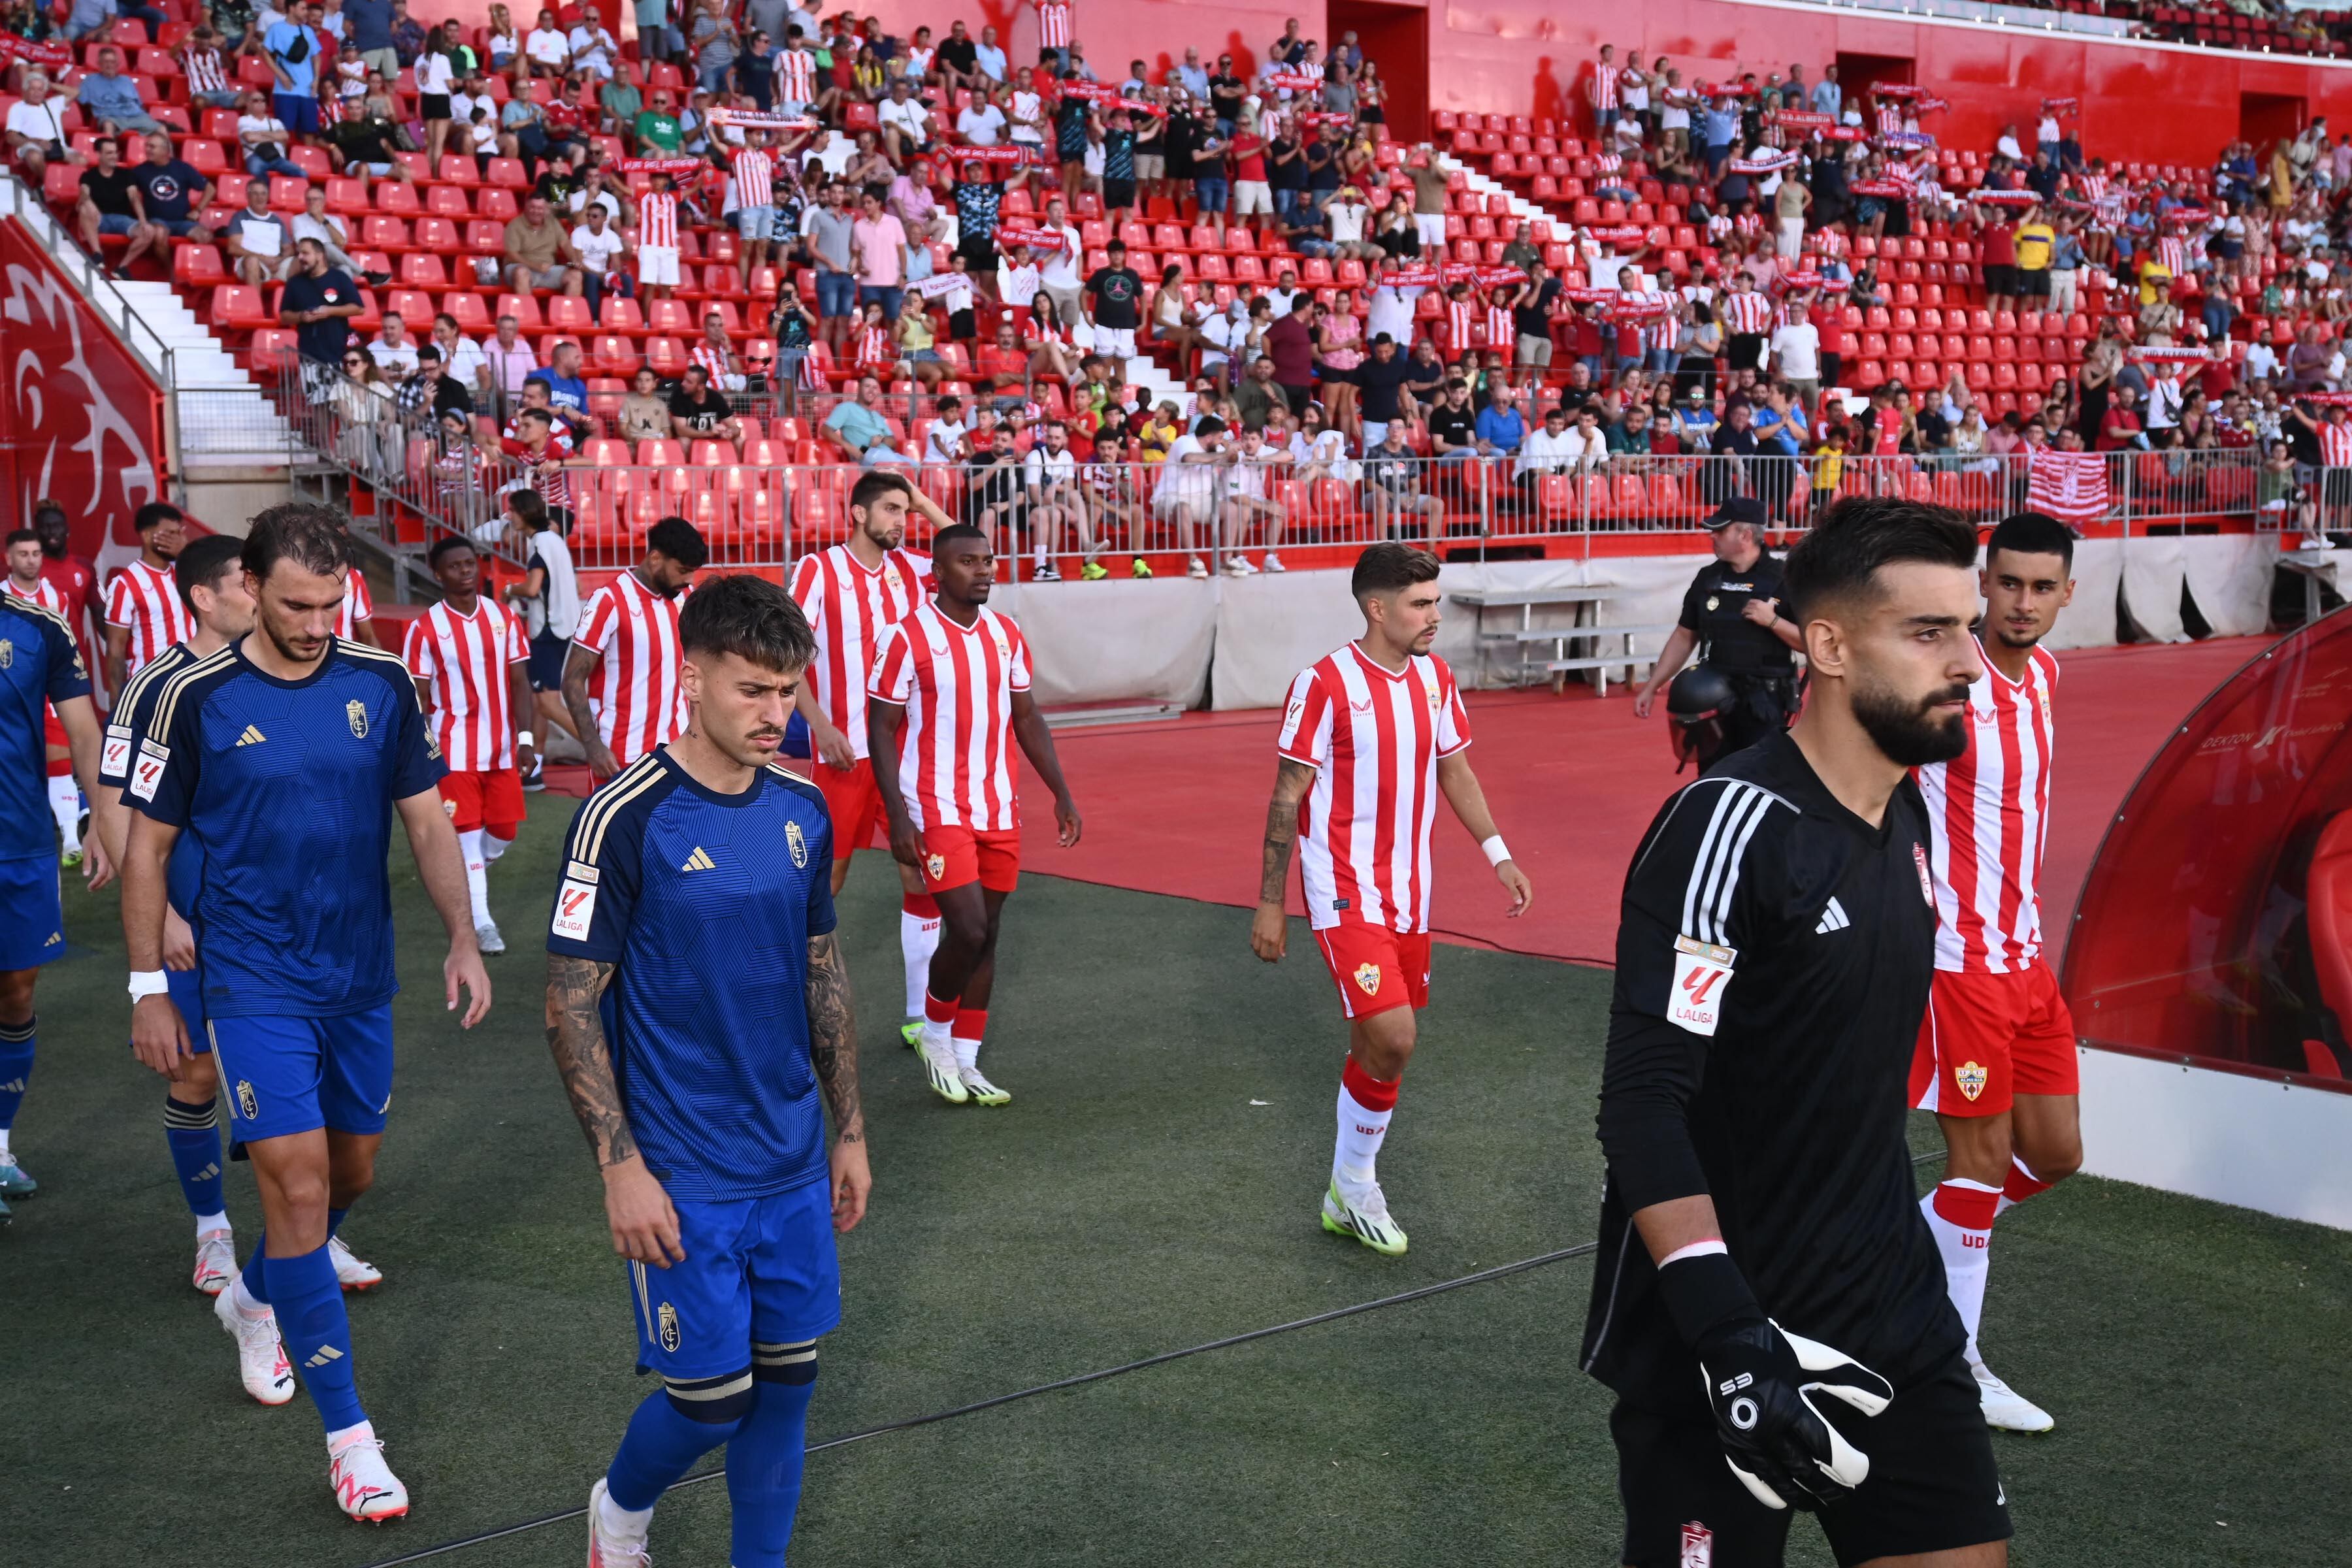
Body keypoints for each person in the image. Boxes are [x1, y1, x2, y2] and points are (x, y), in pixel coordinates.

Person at [1580, 497, 2010, 1568]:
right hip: (1721, 1339)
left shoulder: (1906, 815)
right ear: (1825, 646)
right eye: (1930, 633)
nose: (1970, 661)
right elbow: (1642, 1103)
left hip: (1893, 1316)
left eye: (1968, 626)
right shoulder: (1725, 826)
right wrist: (1728, 1338)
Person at [121, 504, 489, 1521]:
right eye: (296, 603)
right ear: (249, 583)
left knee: (350, 1176)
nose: (318, 620)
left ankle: (253, 1297)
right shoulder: (193, 696)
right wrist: (151, 986)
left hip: (359, 977)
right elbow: (148, 847)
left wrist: (461, 934)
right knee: (297, 1188)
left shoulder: (381, 681)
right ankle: (352, 1440)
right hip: (251, 981)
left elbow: (426, 819)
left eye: (333, 602)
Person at [551, 568, 868, 1568]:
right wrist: (620, 1166)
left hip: (790, 1156)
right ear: (692, 678)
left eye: (788, 692)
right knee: (712, 1400)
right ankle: (619, 1513)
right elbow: (569, 1003)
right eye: (752, 690)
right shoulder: (624, 816)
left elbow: (823, 973)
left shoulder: (804, 811)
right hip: (684, 1166)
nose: (776, 714)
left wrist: (849, 1131)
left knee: (790, 1383)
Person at [91, 535, 384, 1288]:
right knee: (192, 1074)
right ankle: (212, 1229)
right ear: (213, 595)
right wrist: (162, 926)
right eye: (242, 588)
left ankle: (304, 1240)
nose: (258, 602)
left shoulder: (315, 675)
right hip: (196, 923)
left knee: (321, 1113)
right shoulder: (160, 686)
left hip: (310, 940)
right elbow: (126, 814)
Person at [1250, 543, 1533, 1255]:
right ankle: (1356, 1181)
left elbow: (1455, 768)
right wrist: (1269, 902)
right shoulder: (1323, 684)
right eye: (1421, 604)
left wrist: (1498, 854)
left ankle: (1344, 1194)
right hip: (1344, 889)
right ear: (1378, 609)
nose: (1435, 615)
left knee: (1377, 1042)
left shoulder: (1435, 678)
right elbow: (1288, 796)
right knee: (1397, 1036)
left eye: (1436, 601)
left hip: (1411, 892)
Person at [1910, 511, 2083, 1436]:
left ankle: (1926, 1235)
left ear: (2066, 594)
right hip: (1959, 964)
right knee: (1975, 1162)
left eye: (2040, 587)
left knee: (2055, 1156)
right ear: (1984, 584)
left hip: (2029, 960)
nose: (2021, 603)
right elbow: (1866, 779)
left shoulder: (2048, 675)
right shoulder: (1945, 681)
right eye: (2007, 583)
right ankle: (1953, 1365)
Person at [866, 523, 1081, 1107]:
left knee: (989, 937)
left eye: (987, 560)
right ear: (938, 572)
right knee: (968, 928)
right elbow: (881, 729)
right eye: (968, 562)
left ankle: (967, 1060)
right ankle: (936, 1038)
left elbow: (1028, 717)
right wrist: (899, 816)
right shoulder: (904, 637)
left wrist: (1060, 792)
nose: (984, 570)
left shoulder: (1007, 634)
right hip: (935, 806)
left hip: (998, 806)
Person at [789, 470, 950, 1044]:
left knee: (922, 876)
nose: (900, 522)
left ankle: (919, 1017)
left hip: (904, 756)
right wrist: (821, 725)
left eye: (904, 511)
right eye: (889, 509)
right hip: (844, 756)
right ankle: (787, 1001)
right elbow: (787, 656)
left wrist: (924, 500)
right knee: (824, 881)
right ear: (857, 513)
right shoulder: (818, 570)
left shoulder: (910, 571)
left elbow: (965, 547)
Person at [0, 543, 111, 1222]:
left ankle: (1, 1143)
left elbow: (84, 731)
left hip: (19, 844)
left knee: (16, 994)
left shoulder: (38, 627)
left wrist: (97, 814)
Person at [402, 536, 535, 955]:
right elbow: (417, 694)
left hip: (499, 750)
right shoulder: (425, 628)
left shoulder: (504, 617)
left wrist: (526, 740)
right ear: (438, 573)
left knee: (503, 832)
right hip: (452, 751)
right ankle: (482, 923)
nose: (466, 571)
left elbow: (519, 682)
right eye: (456, 566)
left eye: (470, 564)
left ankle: (464, 875)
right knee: (467, 834)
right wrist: (421, 748)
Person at [1631, 497, 1805, 770]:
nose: (1712, 535)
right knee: (1712, 776)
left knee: (1760, 780)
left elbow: (1811, 643)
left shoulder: (1784, 578)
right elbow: (1684, 636)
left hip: (1764, 705)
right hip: (1712, 701)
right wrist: (1653, 686)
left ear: (1745, 535)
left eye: (1721, 530)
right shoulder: (1707, 578)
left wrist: (1773, 622)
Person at [563, 517, 708, 783]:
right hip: (621, 756)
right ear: (655, 558)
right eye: (683, 570)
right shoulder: (609, 600)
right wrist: (593, 747)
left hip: (678, 753)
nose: (689, 580)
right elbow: (571, 680)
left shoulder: (686, 599)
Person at [497, 490, 579, 786]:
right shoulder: (554, 540)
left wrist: (508, 589)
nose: (509, 516)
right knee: (539, 702)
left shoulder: (540, 547)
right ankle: (535, 771)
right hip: (564, 629)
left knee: (545, 705)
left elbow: (532, 589)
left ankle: (601, 748)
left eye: (512, 511)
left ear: (524, 513)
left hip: (548, 632)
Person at [104, 502, 193, 694]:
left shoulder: (189, 575)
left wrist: (188, 553)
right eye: (169, 534)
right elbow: (115, 649)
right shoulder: (125, 584)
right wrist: (116, 704)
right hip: (150, 690)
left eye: (179, 533)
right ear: (146, 536)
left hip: (191, 684)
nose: (177, 540)